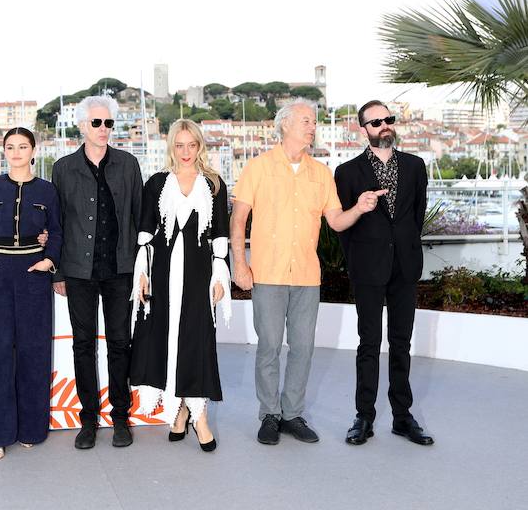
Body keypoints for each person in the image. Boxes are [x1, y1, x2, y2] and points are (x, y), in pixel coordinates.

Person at [230, 100, 386, 446]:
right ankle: (269, 414)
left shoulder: (320, 174)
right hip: (268, 273)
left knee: (303, 347)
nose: (312, 126)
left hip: (306, 276)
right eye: (306, 121)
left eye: (313, 122)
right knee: (269, 346)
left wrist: (358, 208)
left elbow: (335, 221)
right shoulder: (258, 167)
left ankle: (292, 414)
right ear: (285, 125)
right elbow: (238, 219)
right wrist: (239, 263)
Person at [334, 100, 434, 446]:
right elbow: (343, 228)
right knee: (369, 344)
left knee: (402, 343)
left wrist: (403, 248)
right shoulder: (347, 173)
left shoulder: (415, 166)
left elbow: (416, 216)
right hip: (367, 268)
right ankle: (364, 416)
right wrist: (361, 257)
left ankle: (403, 417)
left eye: (388, 119)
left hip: (405, 267)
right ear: (363, 129)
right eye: (375, 122)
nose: (384, 126)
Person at [130, 119, 230, 452]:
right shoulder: (157, 183)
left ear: (200, 146)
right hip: (162, 275)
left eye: (192, 145)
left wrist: (220, 277)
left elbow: (220, 235)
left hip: (200, 275)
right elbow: (145, 235)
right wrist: (141, 274)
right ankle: (179, 409)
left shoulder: (214, 184)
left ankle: (196, 414)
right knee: (165, 339)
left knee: (196, 341)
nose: (186, 152)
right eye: (179, 145)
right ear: (171, 147)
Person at [51, 94, 143, 450]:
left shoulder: (128, 164)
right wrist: (57, 273)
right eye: (96, 123)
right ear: (81, 126)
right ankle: (88, 420)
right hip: (78, 271)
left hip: (120, 269)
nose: (103, 129)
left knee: (121, 343)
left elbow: (138, 218)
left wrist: (141, 268)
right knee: (83, 345)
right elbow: (57, 224)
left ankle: (121, 418)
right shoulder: (63, 168)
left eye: (108, 123)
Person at [0, 127, 62, 460]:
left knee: (34, 352)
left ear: (33, 150)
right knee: (0, 352)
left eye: (23, 146)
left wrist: (48, 260)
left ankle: (31, 428)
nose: (16, 152)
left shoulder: (47, 190)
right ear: (3, 151)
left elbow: (57, 229)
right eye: (10, 147)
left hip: (33, 276)